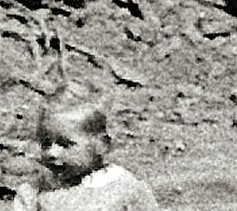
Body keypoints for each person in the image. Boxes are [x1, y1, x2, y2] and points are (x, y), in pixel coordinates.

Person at [11, 84, 159, 211]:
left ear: (101, 145)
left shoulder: (123, 188)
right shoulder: (35, 192)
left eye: (65, 144)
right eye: (45, 143)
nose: (52, 153)